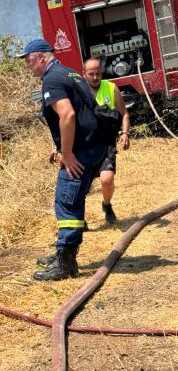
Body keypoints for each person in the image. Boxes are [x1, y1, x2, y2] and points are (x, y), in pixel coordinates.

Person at [19, 39, 110, 281]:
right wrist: (59, 146)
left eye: (28, 60)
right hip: (94, 146)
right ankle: (63, 252)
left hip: (81, 151)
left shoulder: (52, 78)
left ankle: (66, 263)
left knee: (67, 203)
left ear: (40, 57)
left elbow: (68, 114)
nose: (28, 66)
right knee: (72, 200)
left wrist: (67, 153)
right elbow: (81, 111)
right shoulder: (70, 73)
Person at [83, 57, 130, 224]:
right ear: (84, 74)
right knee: (81, 186)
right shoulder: (78, 91)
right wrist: (57, 146)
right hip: (85, 145)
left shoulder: (111, 88)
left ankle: (107, 204)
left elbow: (124, 113)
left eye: (98, 74)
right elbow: (67, 119)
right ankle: (79, 218)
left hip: (106, 144)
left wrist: (125, 133)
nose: (95, 77)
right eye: (91, 74)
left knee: (107, 179)